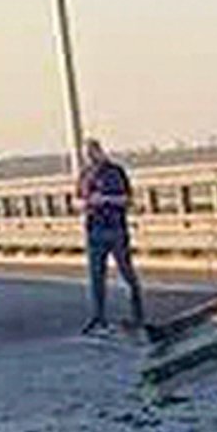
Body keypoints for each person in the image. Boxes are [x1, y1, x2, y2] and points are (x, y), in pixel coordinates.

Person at [78, 138, 145, 336]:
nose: (89, 157)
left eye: (92, 153)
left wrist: (105, 199)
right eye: (86, 154)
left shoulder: (115, 172)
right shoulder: (85, 174)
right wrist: (84, 203)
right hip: (93, 230)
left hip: (115, 229)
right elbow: (77, 199)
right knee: (96, 277)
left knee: (126, 273)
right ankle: (99, 318)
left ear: (99, 151)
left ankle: (138, 317)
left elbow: (127, 199)